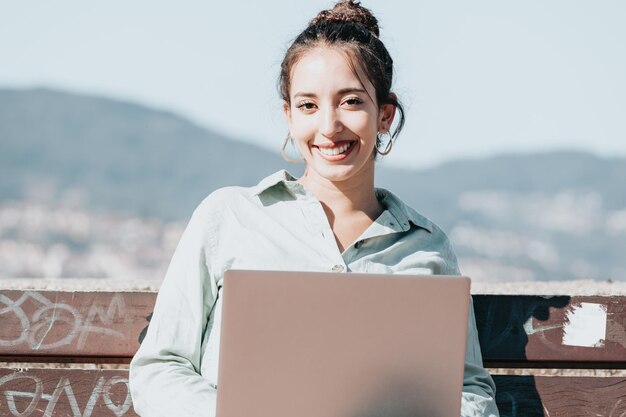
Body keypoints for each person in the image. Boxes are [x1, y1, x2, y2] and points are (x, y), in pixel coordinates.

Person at [129, 1, 500, 416]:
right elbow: (159, 368)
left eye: (351, 102)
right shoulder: (228, 216)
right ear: (289, 116)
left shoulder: (427, 248)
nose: (328, 127)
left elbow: (469, 389)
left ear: (385, 115)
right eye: (308, 105)